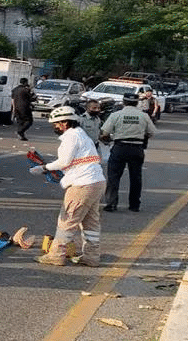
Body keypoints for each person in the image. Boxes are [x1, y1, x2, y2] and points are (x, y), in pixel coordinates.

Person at [28, 106, 106, 266]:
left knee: (67, 220)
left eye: (56, 124)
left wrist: (44, 168)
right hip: (96, 181)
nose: (55, 127)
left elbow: (64, 162)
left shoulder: (71, 137)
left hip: (82, 184)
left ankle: (56, 255)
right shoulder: (82, 135)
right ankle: (91, 257)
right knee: (91, 222)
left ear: (64, 122)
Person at [100, 93, 158, 212]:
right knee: (136, 177)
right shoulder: (144, 116)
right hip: (137, 148)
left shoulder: (116, 115)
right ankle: (134, 205)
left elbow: (105, 132)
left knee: (113, 176)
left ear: (123, 102)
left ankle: (111, 203)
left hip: (119, 147)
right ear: (137, 103)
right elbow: (152, 133)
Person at [79, 99, 108, 165]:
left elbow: (98, 132)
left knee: (98, 166)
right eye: (94, 108)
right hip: (85, 148)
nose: (97, 110)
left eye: (98, 108)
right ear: (88, 108)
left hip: (96, 147)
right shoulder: (81, 119)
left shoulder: (97, 119)